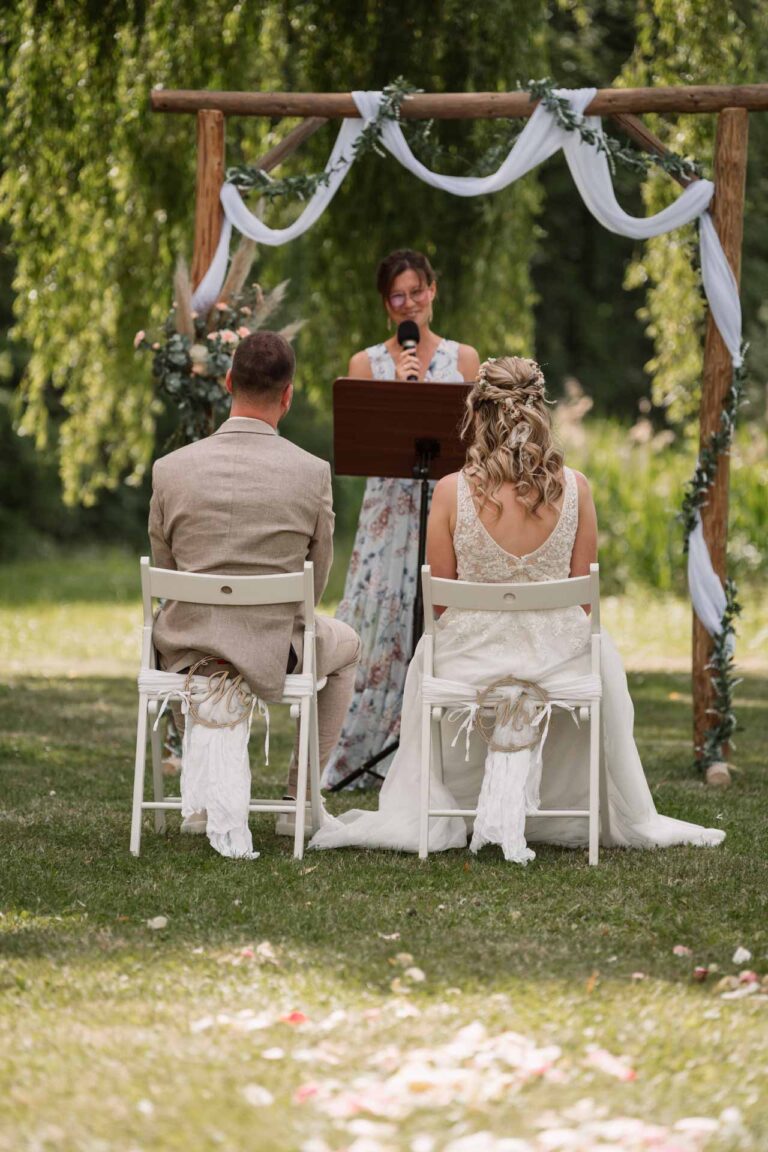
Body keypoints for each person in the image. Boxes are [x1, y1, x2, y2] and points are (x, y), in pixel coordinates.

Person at [310, 356, 725, 858]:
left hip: (470, 664)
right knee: (599, 652)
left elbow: (440, 605)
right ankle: (563, 807)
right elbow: (583, 602)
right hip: (559, 664)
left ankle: (453, 805)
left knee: (428, 655)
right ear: (539, 412)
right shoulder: (577, 489)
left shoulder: (449, 492)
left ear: (478, 414)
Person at [149, 331, 361, 826]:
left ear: (227, 382)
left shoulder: (170, 469)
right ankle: (296, 802)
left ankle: (201, 798)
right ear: (287, 395)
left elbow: (165, 572)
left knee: (179, 642)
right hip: (274, 651)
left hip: (189, 647)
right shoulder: (312, 473)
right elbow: (316, 580)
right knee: (347, 644)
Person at [322, 248, 481, 790]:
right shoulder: (366, 364)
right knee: (381, 616)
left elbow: (477, 446)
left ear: (433, 291)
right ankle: (369, 744)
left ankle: (439, 741)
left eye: (417, 291)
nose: (409, 302)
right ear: (386, 306)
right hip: (389, 513)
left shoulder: (464, 360)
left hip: (447, 505)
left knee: (440, 611)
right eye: (398, 295)